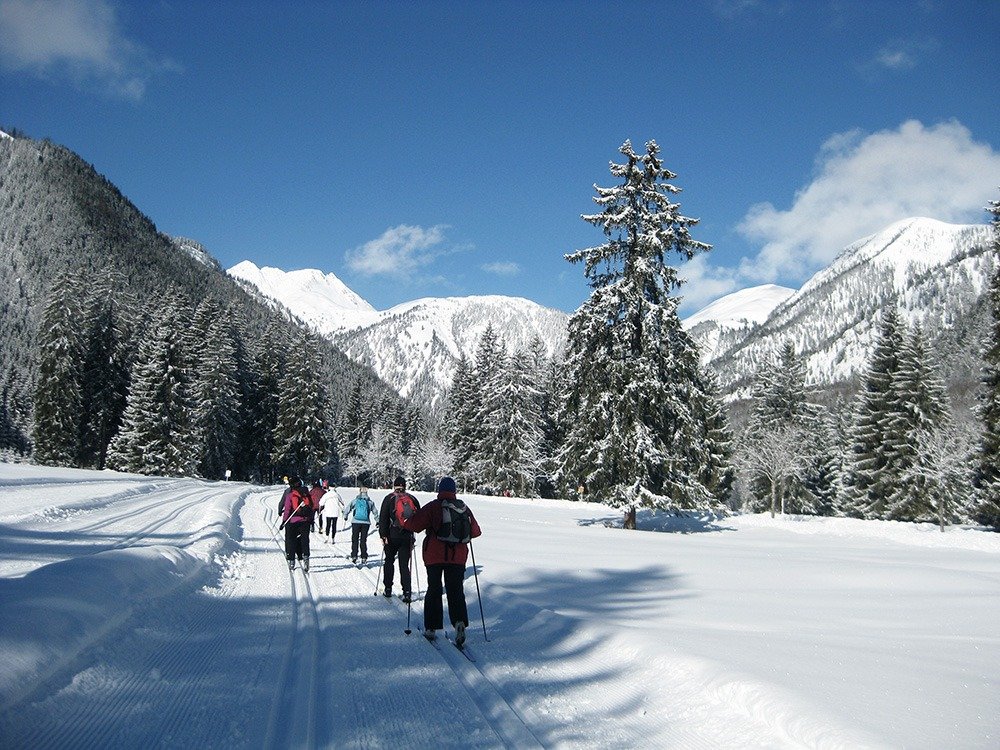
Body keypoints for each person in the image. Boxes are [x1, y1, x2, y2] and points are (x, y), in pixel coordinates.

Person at [401, 476, 481, 646]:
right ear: (454, 491)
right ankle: (459, 622)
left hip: (434, 556)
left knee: (434, 589)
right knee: (455, 590)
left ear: (439, 490)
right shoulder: (463, 508)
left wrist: (407, 518)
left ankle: (431, 627)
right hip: (458, 557)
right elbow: (476, 531)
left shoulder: (433, 507)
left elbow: (414, 526)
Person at [378, 476, 421, 602]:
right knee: (404, 565)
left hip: (392, 535)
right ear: (405, 486)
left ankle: (388, 589)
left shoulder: (389, 498)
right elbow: (418, 517)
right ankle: (407, 592)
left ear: (394, 486)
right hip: (407, 536)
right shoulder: (412, 499)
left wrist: (383, 535)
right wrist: (413, 536)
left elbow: (383, 518)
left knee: (389, 561)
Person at [282, 475, 315, 572]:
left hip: (293, 521)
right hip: (305, 521)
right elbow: (311, 507)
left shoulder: (290, 495)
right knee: (305, 540)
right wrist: (311, 520)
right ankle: (306, 558)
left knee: (291, 540)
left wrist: (284, 521)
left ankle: (291, 560)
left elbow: (287, 509)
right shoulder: (307, 494)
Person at [343, 485, 376, 563]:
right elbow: (375, 512)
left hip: (356, 522)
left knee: (355, 539)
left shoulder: (355, 500)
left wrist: (345, 516)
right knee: (363, 540)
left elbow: (348, 508)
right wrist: (377, 521)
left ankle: (354, 555)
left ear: (360, 491)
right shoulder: (370, 502)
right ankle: (364, 556)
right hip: (366, 523)